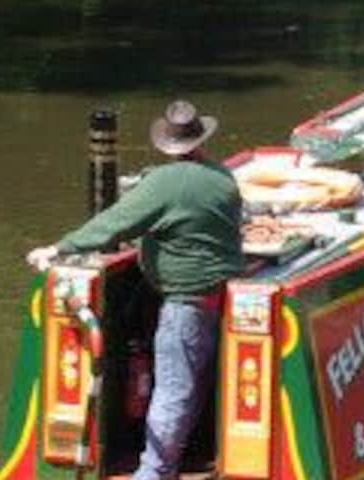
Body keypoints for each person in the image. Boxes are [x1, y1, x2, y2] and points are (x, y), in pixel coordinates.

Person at [24, 100, 242, 480]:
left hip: (183, 302)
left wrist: (60, 248)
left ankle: (153, 473)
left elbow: (114, 222)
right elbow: (195, 227)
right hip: (216, 297)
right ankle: (184, 460)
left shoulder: (164, 182)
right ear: (201, 140)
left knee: (173, 391)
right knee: (193, 386)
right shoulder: (222, 178)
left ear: (167, 145)